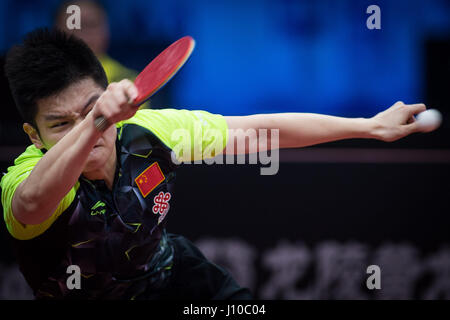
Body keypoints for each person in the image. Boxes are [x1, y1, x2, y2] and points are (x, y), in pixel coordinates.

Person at [0, 28, 430, 300]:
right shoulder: (25, 178)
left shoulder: (152, 131)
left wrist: (366, 126)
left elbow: (263, 130)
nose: (86, 130)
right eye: (60, 124)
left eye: (92, 109)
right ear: (35, 136)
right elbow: (34, 204)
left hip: (174, 280)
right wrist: (95, 120)